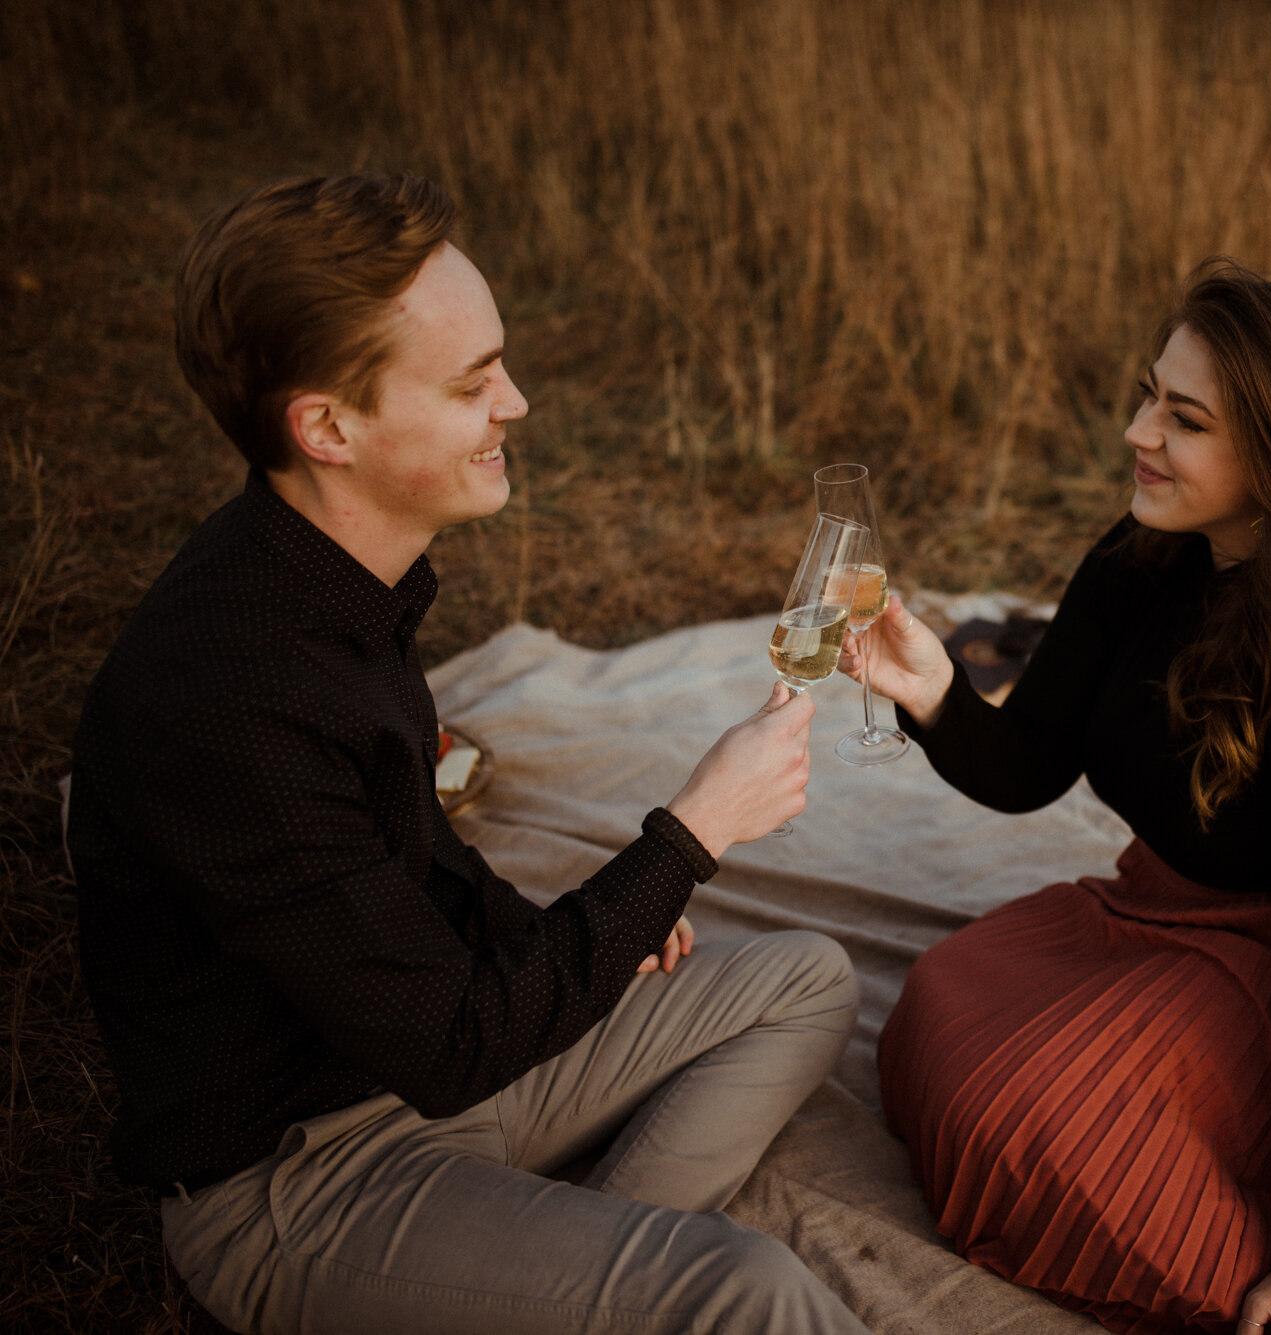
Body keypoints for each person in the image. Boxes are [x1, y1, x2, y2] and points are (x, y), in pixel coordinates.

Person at [66, 174, 869, 1335]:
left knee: (806, 976)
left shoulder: (333, 582)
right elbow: (452, 1048)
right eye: (470, 381)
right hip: (302, 1176)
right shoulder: (230, 703)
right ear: (327, 428)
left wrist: (564, 931)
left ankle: (548, 1280)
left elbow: (409, 863)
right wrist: (688, 835)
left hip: (425, 1071)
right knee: (741, 1287)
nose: (520, 402)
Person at [849, 261, 1271, 1335]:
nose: (1137, 433)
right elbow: (1026, 764)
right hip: (1169, 909)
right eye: (1148, 395)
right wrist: (935, 694)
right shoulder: (1144, 553)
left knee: (1029, 1125)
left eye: (1180, 419)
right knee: (939, 1007)